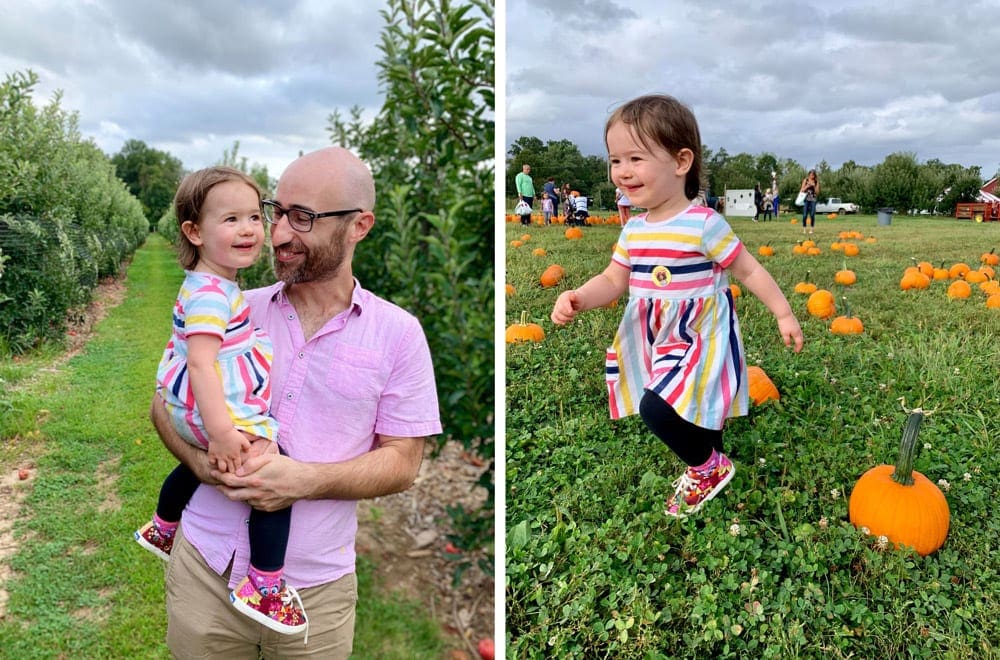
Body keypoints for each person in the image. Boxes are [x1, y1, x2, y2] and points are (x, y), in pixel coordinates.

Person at [152, 147, 442, 657]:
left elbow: (404, 461)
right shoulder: (232, 307)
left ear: (360, 226)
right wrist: (206, 462)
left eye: (303, 218)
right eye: (276, 211)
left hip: (317, 594)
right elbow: (165, 403)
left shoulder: (398, 334)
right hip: (206, 570)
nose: (279, 233)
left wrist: (307, 480)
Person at [551, 94, 803, 518]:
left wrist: (783, 312)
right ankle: (711, 460)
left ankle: (707, 467)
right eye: (615, 160)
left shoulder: (704, 224)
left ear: (681, 161)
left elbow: (749, 271)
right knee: (691, 407)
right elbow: (614, 280)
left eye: (636, 158)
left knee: (656, 407)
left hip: (701, 333)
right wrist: (579, 296)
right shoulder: (633, 230)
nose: (623, 172)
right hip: (660, 336)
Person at [134, 165, 308, 636]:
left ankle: (163, 525)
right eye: (230, 219)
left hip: (189, 409)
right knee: (274, 474)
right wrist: (224, 433)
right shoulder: (212, 294)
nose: (249, 228)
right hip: (212, 411)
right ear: (194, 231)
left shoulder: (210, 284)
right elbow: (201, 364)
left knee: (192, 468)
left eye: (254, 216)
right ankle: (265, 585)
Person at [800, 169, 820, 234]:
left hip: (813, 200)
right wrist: (807, 186)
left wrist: (814, 186)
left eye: (813, 175)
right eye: (811, 175)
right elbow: (802, 190)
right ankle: (804, 229)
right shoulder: (806, 180)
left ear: (814, 175)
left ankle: (811, 229)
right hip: (806, 200)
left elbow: (817, 192)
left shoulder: (816, 182)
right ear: (809, 175)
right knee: (805, 215)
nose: (812, 176)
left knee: (812, 215)